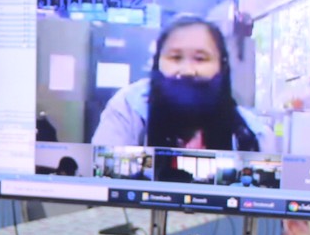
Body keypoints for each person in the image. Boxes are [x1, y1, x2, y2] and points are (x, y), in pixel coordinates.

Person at [91, 15, 272, 153]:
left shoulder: (253, 136)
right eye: (175, 57)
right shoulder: (128, 109)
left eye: (201, 59)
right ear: (157, 62)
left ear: (221, 66)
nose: (187, 70)